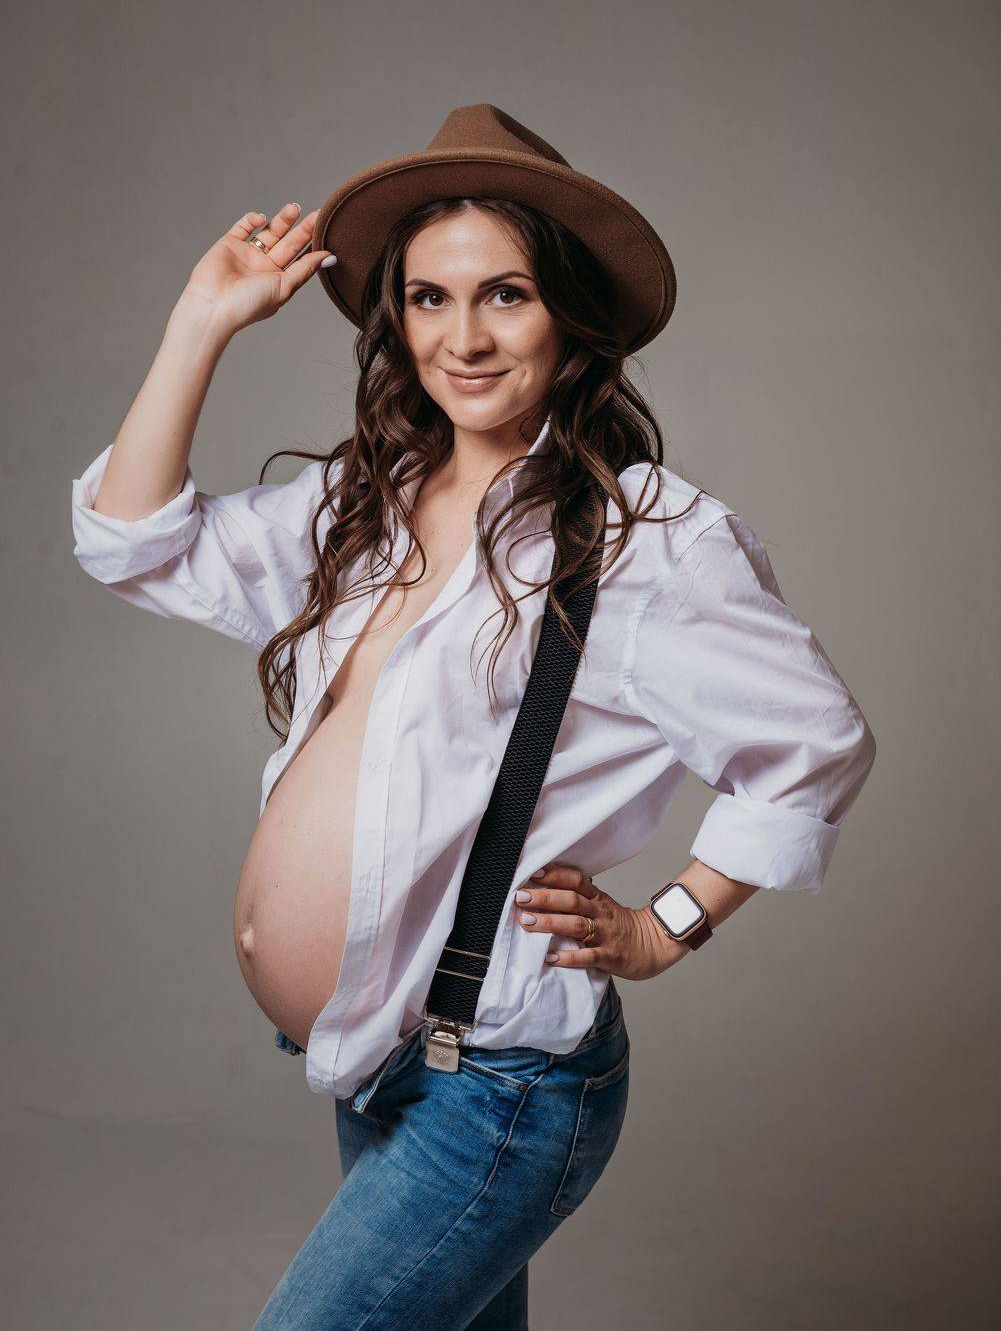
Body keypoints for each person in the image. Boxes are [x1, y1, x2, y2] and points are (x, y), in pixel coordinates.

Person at [70, 104, 876, 1329]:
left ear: (570, 317)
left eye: (505, 295)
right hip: (377, 1059)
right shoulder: (366, 502)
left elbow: (813, 744)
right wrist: (200, 322)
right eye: (428, 298)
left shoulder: (642, 540)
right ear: (395, 321)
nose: (463, 338)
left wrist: (664, 926)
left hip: (496, 1087)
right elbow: (134, 543)